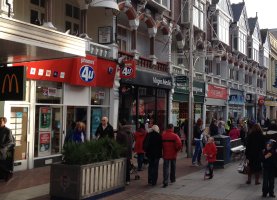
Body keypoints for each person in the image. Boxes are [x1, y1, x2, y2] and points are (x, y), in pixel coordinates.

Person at [161, 124, 182, 188]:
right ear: (172, 128)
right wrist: (176, 150)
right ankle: (172, 179)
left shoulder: (163, 135)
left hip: (165, 154)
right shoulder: (175, 136)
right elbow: (179, 144)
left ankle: (165, 181)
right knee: (173, 167)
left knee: (165, 168)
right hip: (173, 154)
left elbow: (160, 145)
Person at [116, 120, 133, 185]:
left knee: (121, 167)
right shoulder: (130, 133)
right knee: (127, 167)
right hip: (129, 153)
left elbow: (117, 144)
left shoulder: (121, 133)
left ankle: (121, 180)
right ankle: (127, 180)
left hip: (122, 152)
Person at [0, 117, 15, 182]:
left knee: (2, 163)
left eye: (0, 121)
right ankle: (4, 175)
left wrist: (3, 147)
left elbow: (10, 141)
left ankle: (8, 173)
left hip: (3, 150)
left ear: (4, 122)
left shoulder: (8, 130)